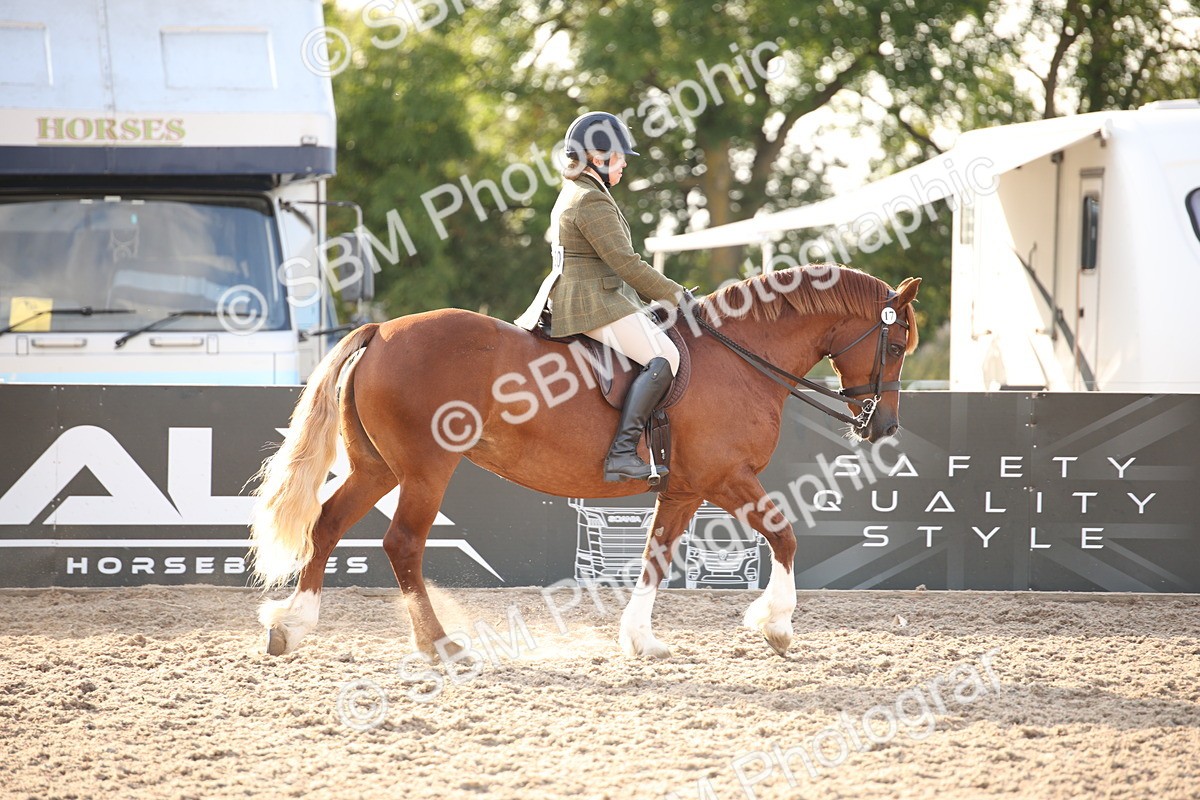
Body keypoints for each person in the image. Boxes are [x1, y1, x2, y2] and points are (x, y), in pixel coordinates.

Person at [516, 111, 686, 483]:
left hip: (594, 293)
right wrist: (676, 295)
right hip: (591, 301)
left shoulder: (581, 191)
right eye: (620, 157)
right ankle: (622, 453)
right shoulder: (591, 200)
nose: (624, 164)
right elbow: (626, 263)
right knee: (665, 355)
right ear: (597, 156)